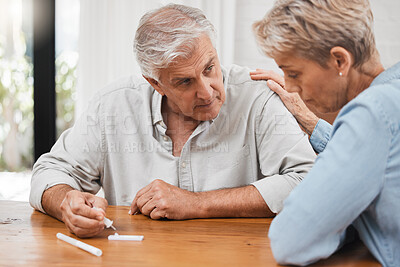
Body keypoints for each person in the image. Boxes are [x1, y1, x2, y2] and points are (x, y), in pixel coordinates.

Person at [29, 4, 316, 238]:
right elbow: (50, 171)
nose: (207, 91)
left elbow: (308, 181)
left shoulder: (258, 97)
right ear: (156, 83)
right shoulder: (113, 106)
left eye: (210, 67)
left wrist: (197, 204)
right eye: (184, 81)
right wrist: (66, 201)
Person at [251, 0, 400, 266]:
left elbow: (291, 241)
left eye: (294, 73)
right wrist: (311, 123)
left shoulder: (372, 113)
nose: (290, 87)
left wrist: (340, 220)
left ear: (340, 60)